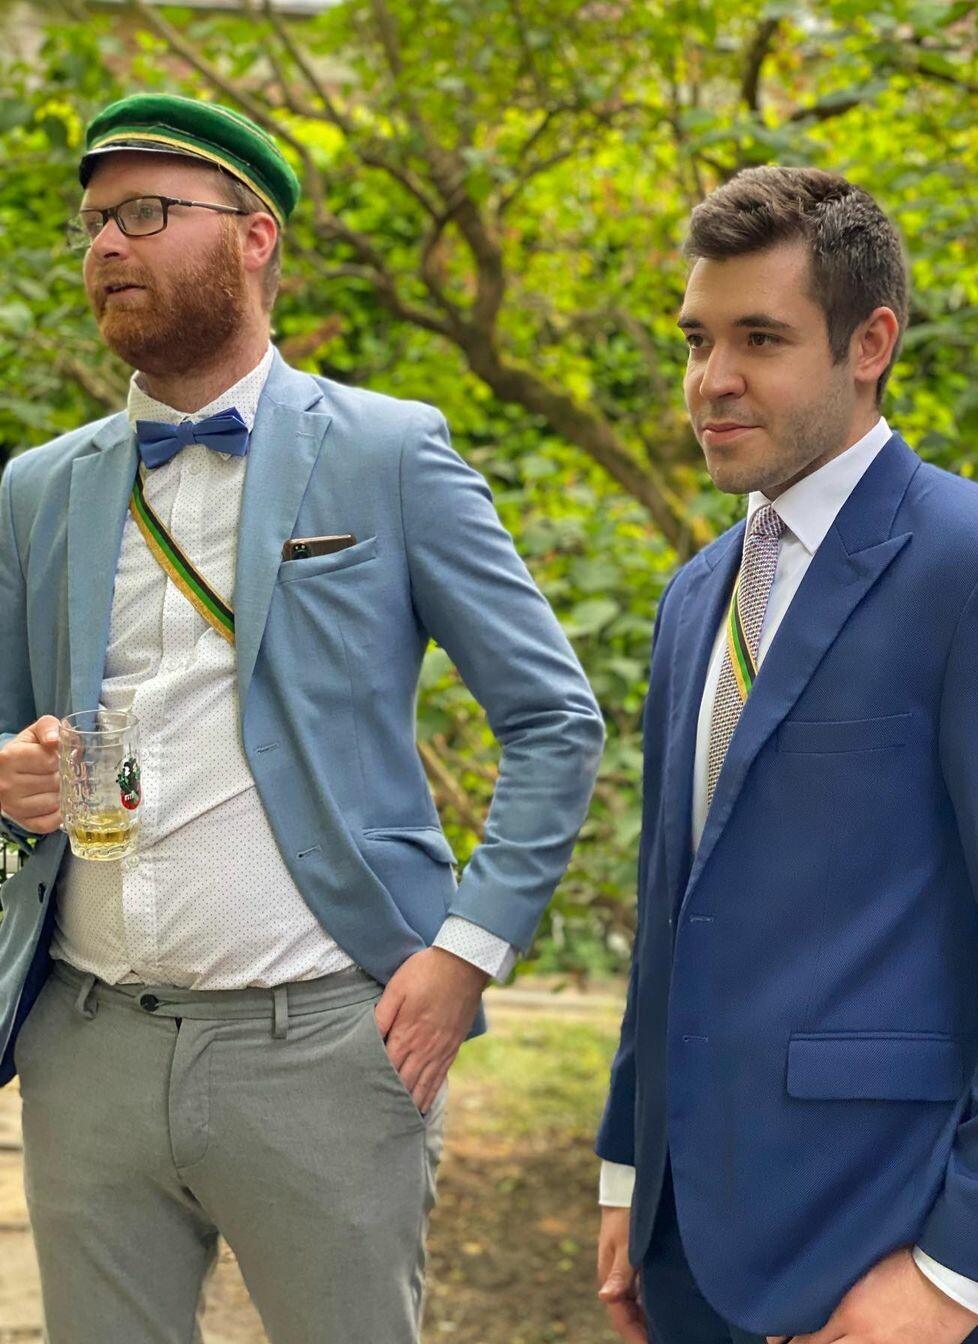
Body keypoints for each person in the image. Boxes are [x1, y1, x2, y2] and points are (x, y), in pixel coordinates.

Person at [0, 93, 604, 1344]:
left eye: (146, 213)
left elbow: (554, 719)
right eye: (94, 222)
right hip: (86, 1044)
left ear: (254, 234)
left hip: (325, 1042)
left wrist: (466, 954)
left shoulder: (391, 452)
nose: (107, 244)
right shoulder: (35, 488)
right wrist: (10, 776)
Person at [594, 165, 978, 1344]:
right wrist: (627, 1170)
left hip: (876, 1242)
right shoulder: (694, 594)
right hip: (682, 1239)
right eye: (697, 340)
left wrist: (957, 1276)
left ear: (871, 343)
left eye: (759, 339)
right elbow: (674, 911)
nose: (711, 380)